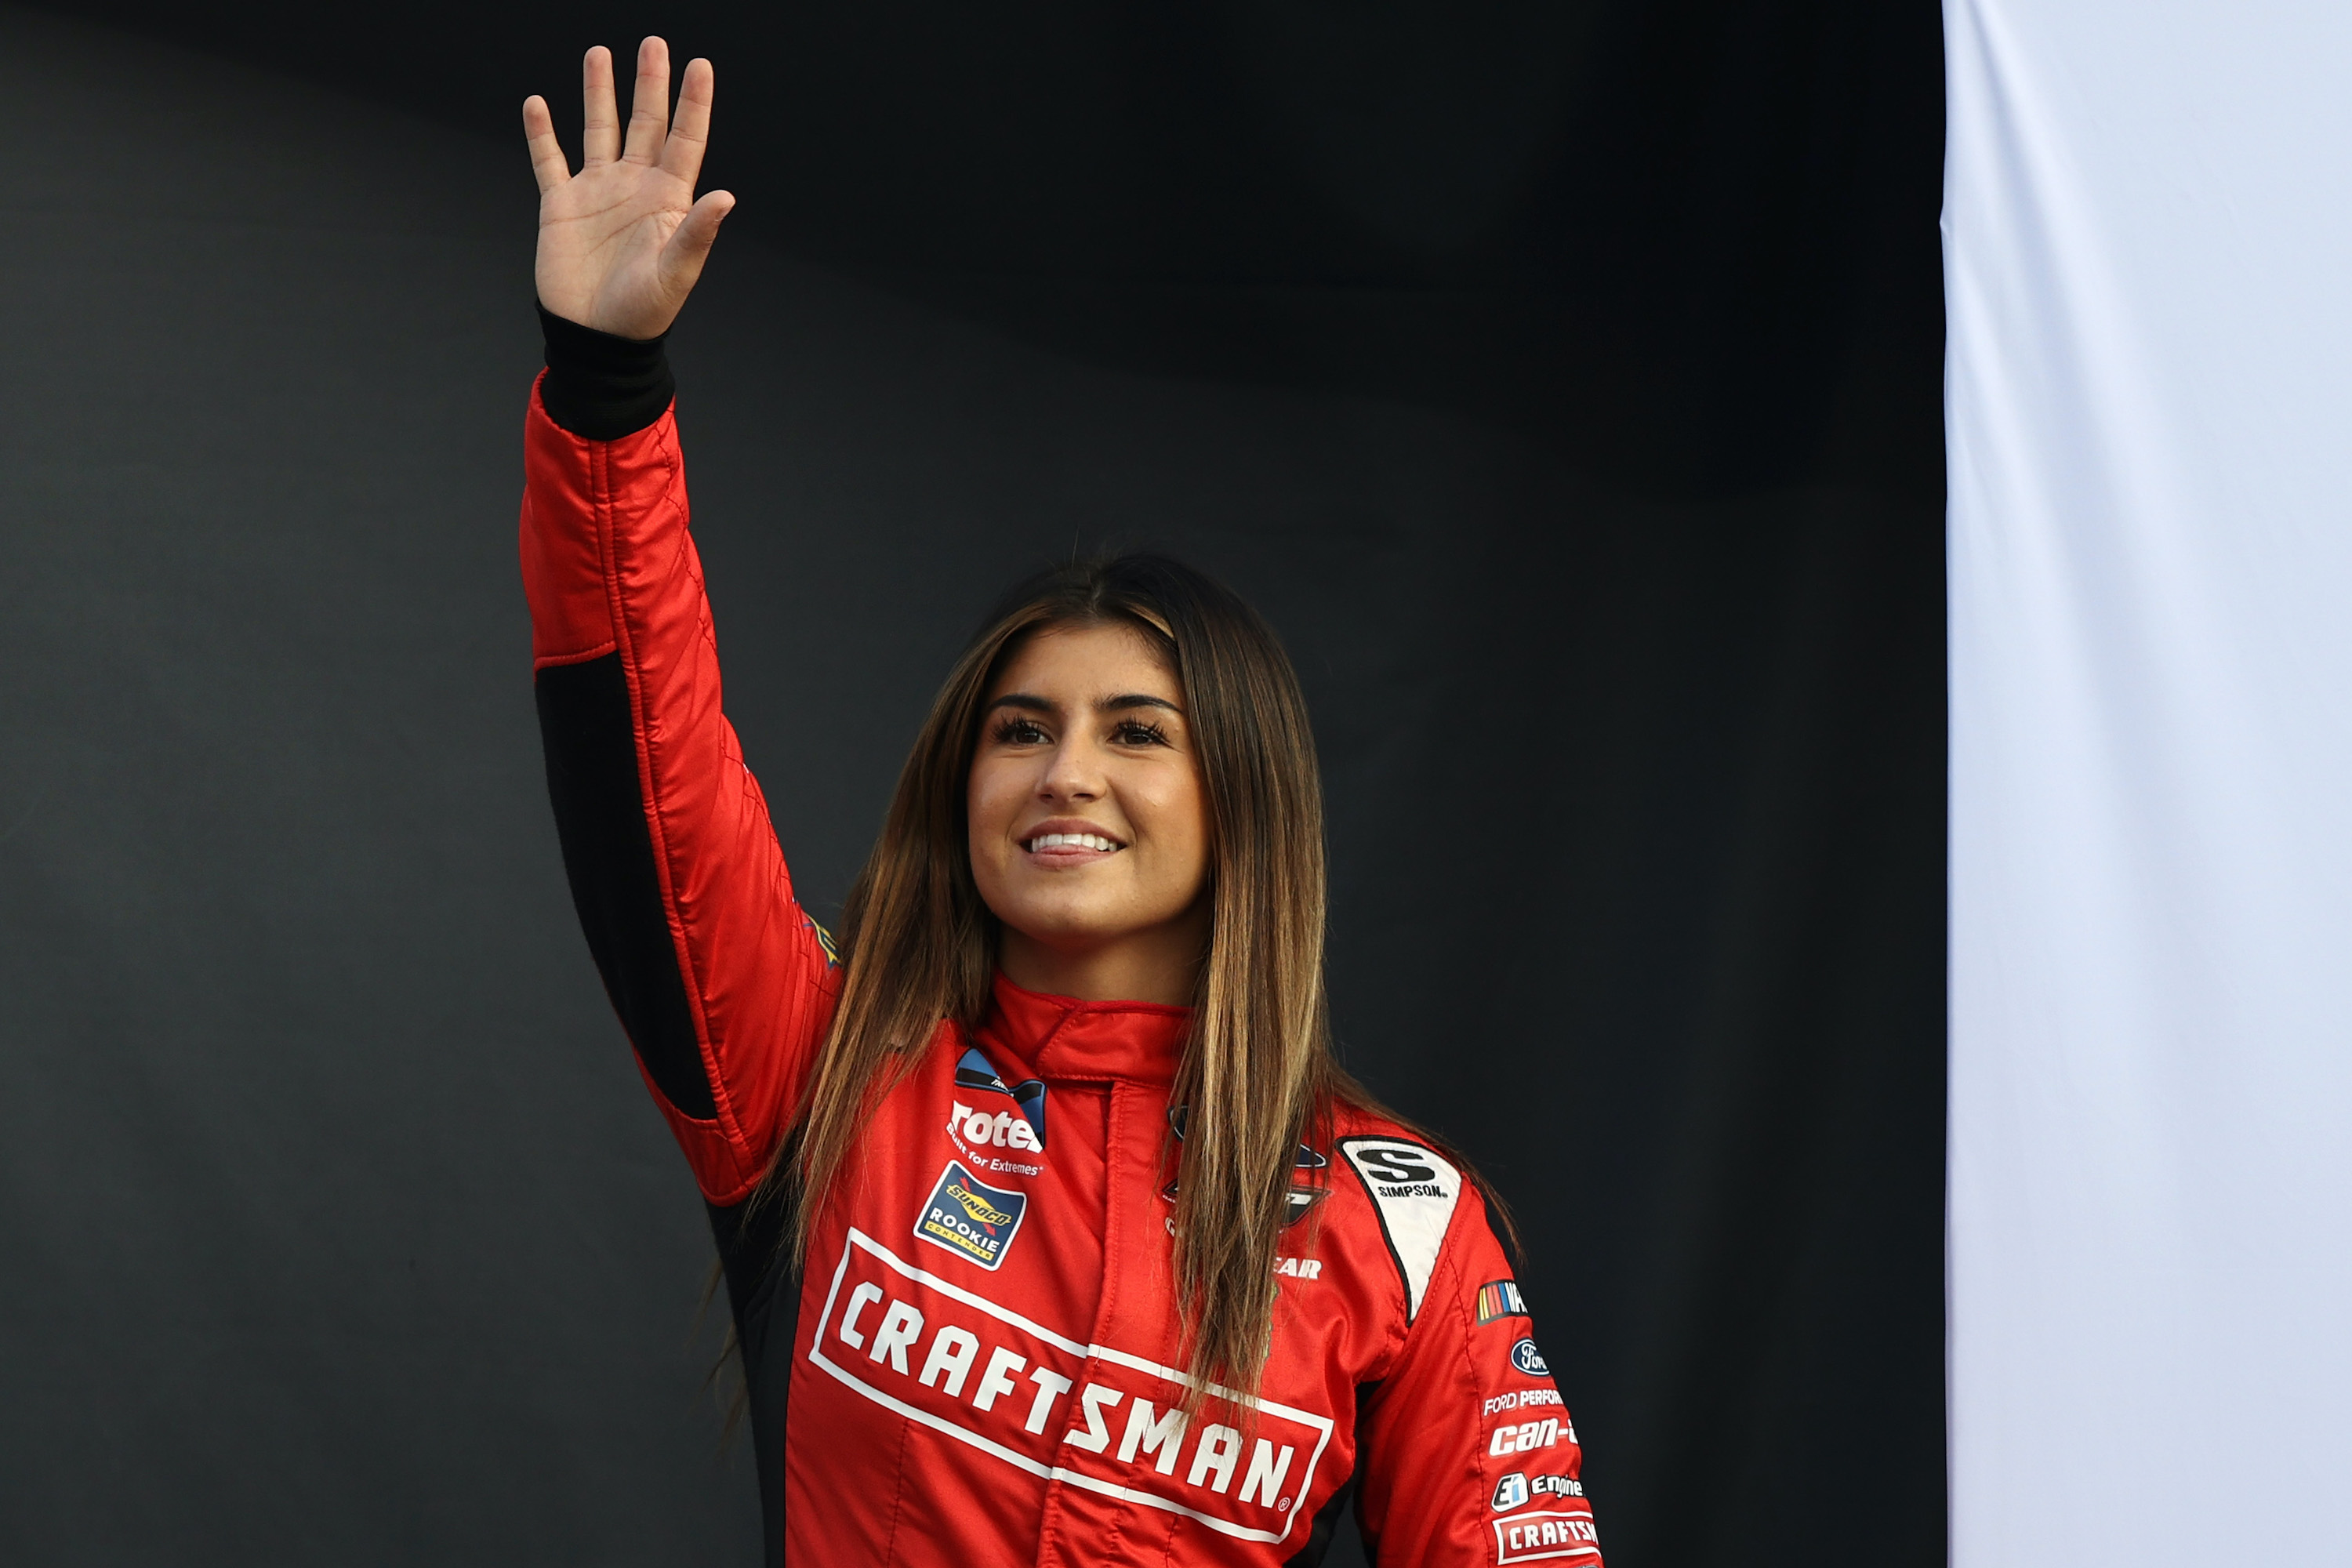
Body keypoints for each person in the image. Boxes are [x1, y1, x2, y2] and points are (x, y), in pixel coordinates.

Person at [517, 38, 1600, 1568]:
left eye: (1136, 731)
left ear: (1244, 806)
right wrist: (608, 385)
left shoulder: (1395, 1226)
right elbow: (648, 767)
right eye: (1019, 729)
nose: (1063, 772)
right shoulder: (828, 1080)